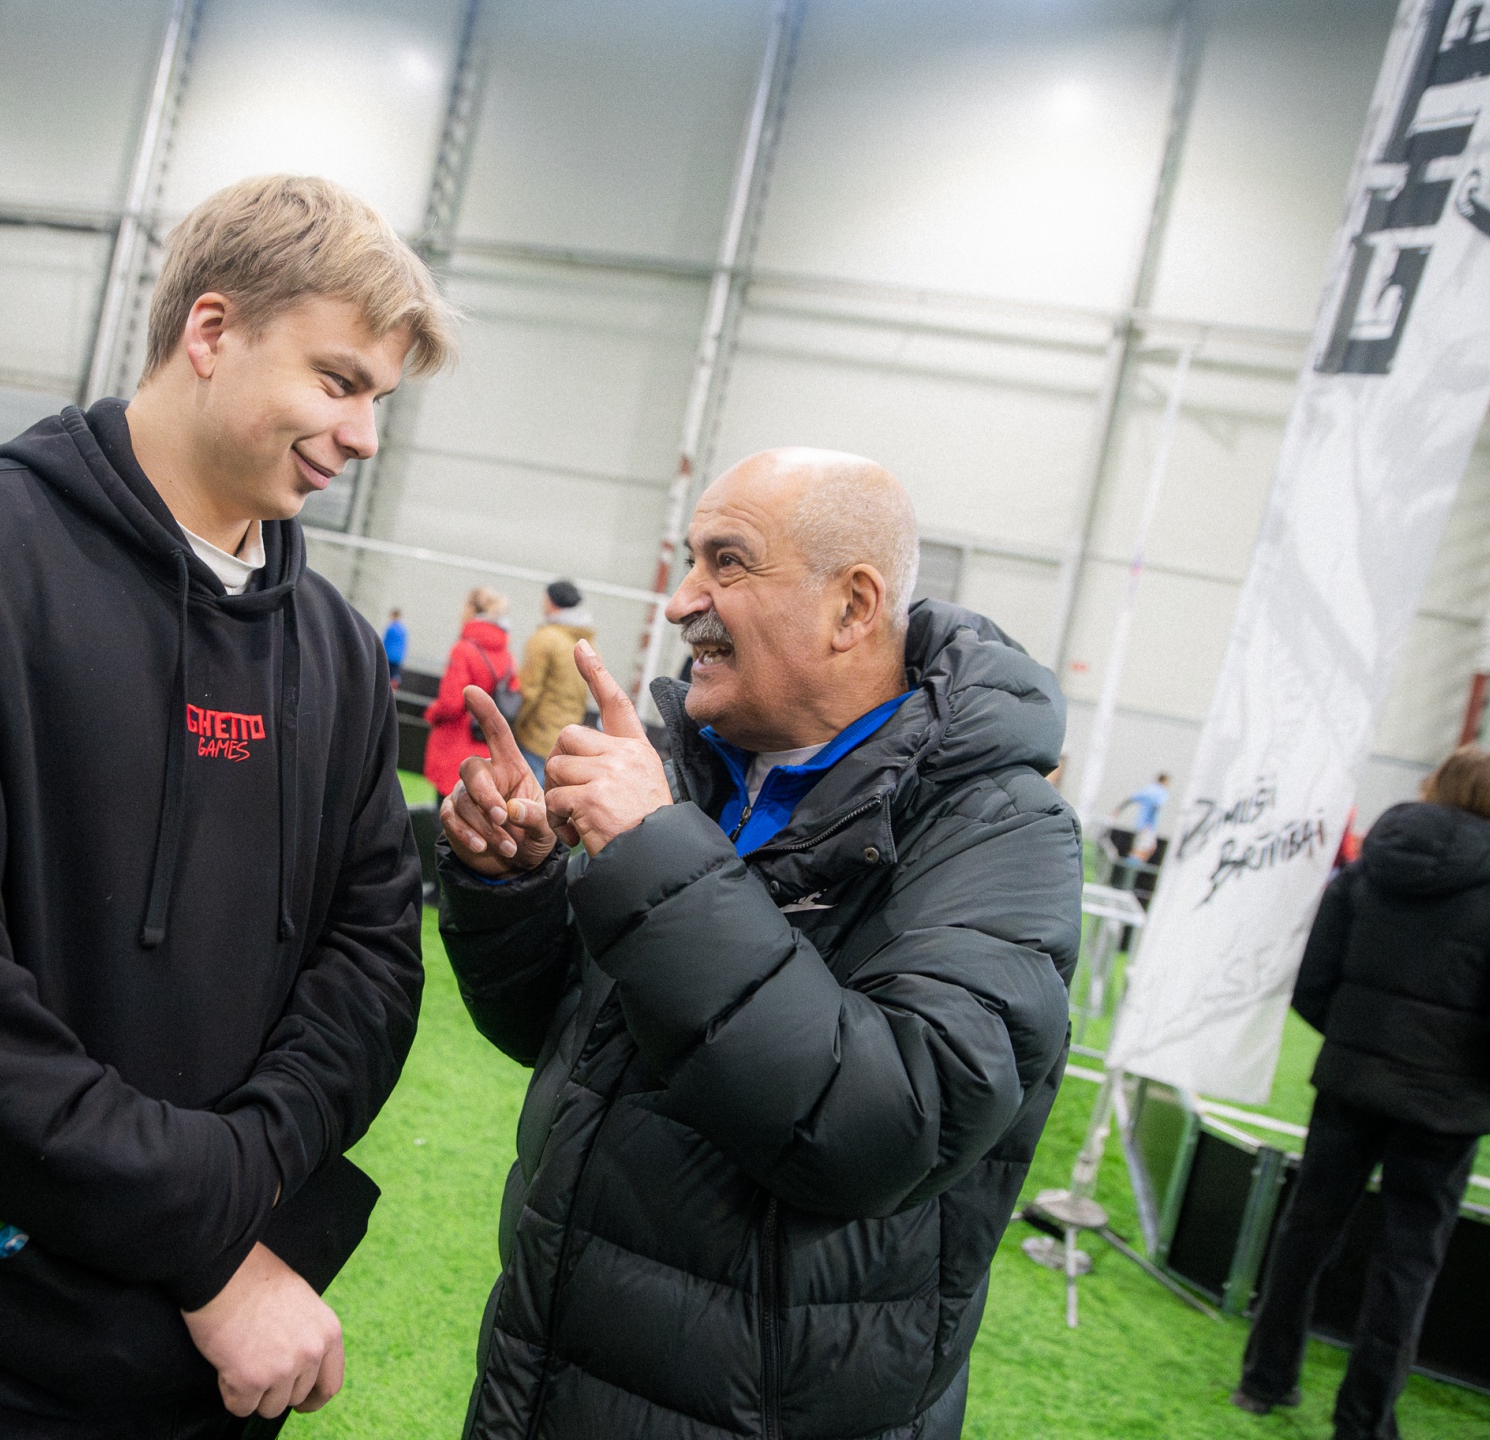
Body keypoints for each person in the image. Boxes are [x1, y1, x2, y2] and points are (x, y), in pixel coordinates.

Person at [0, 173, 450, 1437]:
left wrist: (240, 1182)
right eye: (338, 381)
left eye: (379, 399)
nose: (365, 435)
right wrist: (210, 1244)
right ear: (211, 331)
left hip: (223, 1371)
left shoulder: (334, 647)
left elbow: (372, 960)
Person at [436, 448, 1080, 1439]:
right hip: (546, 1382)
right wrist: (515, 883)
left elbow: (887, 1126)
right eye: (692, 558)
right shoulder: (692, 769)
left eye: (726, 562)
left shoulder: (998, 826)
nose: (683, 599)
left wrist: (655, 854)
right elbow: (569, 1037)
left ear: (853, 607)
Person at [1235, 747, 1490, 1437]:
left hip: (1351, 1089)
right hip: (1442, 1114)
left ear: (1437, 788)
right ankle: (1363, 1423)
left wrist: (1357, 1041)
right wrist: (1484, 1073)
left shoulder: (1365, 877)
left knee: (1307, 1234)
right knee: (1407, 1267)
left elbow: (1310, 979)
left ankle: (1263, 1381)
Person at [421, 585, 515, 803]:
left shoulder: (463, 650)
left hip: (455, 743)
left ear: (471, 609)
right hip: (486, 746)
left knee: (446, 811)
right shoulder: (507, 656)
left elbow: (451, 703)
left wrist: (431, 713)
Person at [509, 578, 596, 783]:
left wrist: (515, 729)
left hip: (536, 737)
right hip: (568, 739)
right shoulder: (587, 643)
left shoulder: (545, 639)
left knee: (524, 795)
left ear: (549, 601)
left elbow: (528, 691)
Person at [1116, 770, 1171, 860]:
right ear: (1164, 781)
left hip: (1141, 824)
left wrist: (1118, 810)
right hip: (1148, 826)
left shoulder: (1148, 789)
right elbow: (1156, 806)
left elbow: (1131, 798)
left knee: (1146, 848)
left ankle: (1131, 862)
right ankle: (1131, 864)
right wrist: (1148, 823)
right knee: (1145, 850)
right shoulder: (1162, 792)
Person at [380, 606, 407, 688]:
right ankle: (393, 691)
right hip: (398, 658)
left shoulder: (390, 628)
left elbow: (385, 642)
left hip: (389, 656)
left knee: (386, 675)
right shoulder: (403, 630)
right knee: (395, 676)